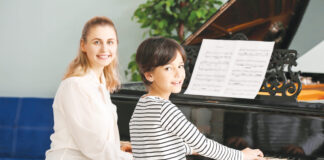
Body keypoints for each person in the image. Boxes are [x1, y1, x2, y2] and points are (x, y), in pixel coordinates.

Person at [129, 36, 265, 160]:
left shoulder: (142, 104)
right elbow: (204, 145)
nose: (178, 74)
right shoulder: (165, 109)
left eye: (180, 66)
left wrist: (191, 149)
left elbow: (159, 147)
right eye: (168, 68)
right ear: (149, 75)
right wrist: (242, 155)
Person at [45, 16, 132, 160]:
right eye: (97, 42)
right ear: (83, 45)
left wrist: (123, 146)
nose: (105, 48)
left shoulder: (101, 85)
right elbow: (92, 145)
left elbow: (101, 138)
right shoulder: (74, 85)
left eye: (110, 42)